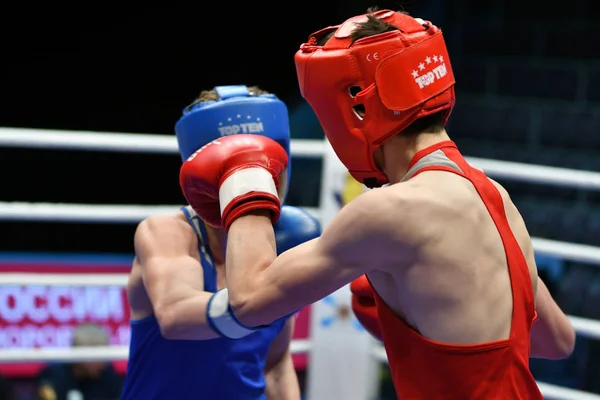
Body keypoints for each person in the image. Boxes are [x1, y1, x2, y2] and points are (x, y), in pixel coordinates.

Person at [178, 8, 577, 400]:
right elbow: (558, 340)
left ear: (359, 107)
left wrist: (245, 176)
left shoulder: (392, 210)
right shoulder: (495, 197)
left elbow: (248, 301)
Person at [120, 85, 318, 400]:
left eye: (266, 158)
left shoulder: (290, 240)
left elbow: (275, 363)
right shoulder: (167, 234)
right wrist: (259, 299)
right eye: (240, 161)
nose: (258, 173)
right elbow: (175, 315)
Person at [37, 323, 123, 400]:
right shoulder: (53, 377)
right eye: (98, 356)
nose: (103, 363)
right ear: (81, 354)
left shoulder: (110, 378)